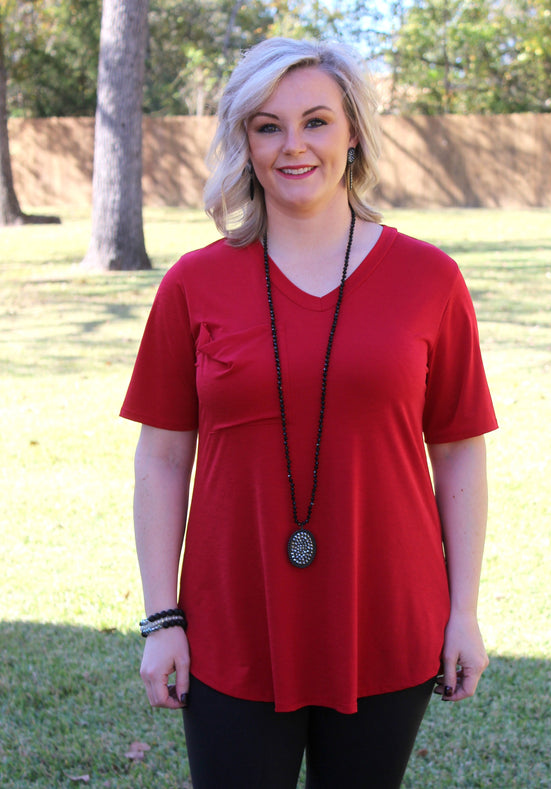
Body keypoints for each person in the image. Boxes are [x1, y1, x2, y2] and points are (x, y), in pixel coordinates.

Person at [121, 37, 498, 789]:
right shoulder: (194, 284)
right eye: (268, 126)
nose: (294, 146)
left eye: (317, 121)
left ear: (353, 131)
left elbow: (457, 450)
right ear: (244, 142)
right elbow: (162, 458)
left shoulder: (431, 278)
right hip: (233, 623)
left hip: (387, 618)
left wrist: (463, 613)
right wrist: (163, 619)